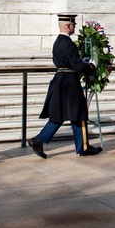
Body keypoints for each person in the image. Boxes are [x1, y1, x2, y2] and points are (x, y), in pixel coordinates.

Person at [27, 14, 102, 159]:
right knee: (79, 114)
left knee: (59, 116)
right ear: (68, 26)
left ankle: (39, 140)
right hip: (70, 83)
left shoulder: (57, 42)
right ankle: (83, 147)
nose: (74, 27)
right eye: (73, 24)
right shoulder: (68, 44)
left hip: (60, 79)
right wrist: (91, 65)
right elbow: (78, 66)